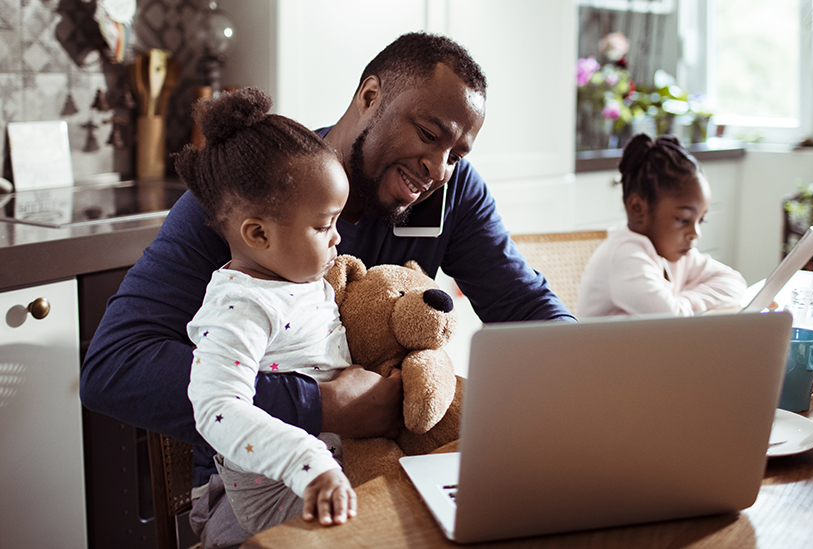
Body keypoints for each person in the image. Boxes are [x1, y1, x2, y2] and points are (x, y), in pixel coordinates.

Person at [80, 32, 573, 548]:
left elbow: (524, 305)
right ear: (370, 97)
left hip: (387, 463)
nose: (439, 168)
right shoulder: (255, 196)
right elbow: (115, 367)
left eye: (457, 152)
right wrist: (321, 404)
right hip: (267, 486)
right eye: (429, 133)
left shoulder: (452, 193)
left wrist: (599, 376)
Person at [179, 88, 356, 534]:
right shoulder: (241, 305)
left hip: (335, 467)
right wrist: (308, 461)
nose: (337, 239)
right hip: (280, 496)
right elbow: (217, 406)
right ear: (258, 234)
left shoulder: (296, 280)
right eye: (323, 225)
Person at [577, 134, 746, 317]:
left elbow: (734, 282)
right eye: (683, 219)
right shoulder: (624, 256)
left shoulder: (674, 253)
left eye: (701, 221)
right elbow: (672, 318)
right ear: (637, 208)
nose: (695, 233)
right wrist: (683, 305)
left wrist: (685, 301)